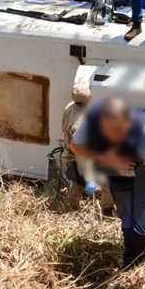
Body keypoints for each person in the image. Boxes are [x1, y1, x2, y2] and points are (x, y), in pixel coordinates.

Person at [70, 96, 145, 268]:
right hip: (116, 169)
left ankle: (133, 262)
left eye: (117, 132)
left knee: (135, 228)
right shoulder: (93, 120)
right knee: (128, 222)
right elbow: (75, 146)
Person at [61, 82, 114, 211]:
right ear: (89, 96)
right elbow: (82, 155)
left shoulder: (70, 107)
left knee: (76, 179)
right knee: (107, 183)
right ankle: (106, 209)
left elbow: (63, 126)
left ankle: (73, 206)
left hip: (70, 151)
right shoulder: (82, 123)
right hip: (82, 155)